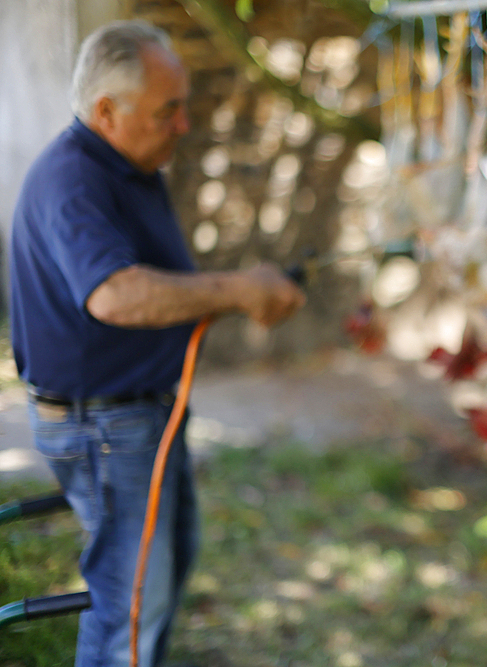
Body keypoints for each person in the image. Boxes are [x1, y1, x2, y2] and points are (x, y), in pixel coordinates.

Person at [8, 19, 305, 666]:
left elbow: (158, 290)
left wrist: (244, 289)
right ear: (106, 111)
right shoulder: (74, 181)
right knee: (131, 610)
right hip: (105, 427)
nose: (183, 125)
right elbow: (114, 295)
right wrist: (235, 289)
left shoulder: (129, 168)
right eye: (168, 110)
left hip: (138, 415)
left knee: (155, 591)